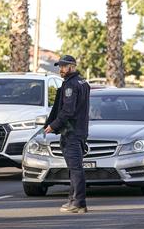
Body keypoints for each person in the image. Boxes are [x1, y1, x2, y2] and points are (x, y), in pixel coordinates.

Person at [44, 55, 90, 214]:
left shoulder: (71, 85)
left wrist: (53, 125)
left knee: (75, 169)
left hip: (71, 131)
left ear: (72, 66)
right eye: (60, 67)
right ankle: (73, 201)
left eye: (64, 67)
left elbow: (68, 111)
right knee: (74, 168)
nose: (61, 70)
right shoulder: (83, 82)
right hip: (80, 131)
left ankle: (78, 203)